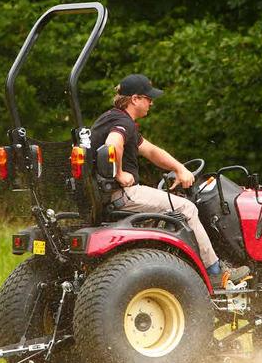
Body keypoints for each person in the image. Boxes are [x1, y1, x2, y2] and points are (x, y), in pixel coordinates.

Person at [89, 74, 249, 286]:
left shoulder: (112, 117)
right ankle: (216, 272)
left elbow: (152, 151)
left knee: (176, 205)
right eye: (148, 98)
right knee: (187, 208)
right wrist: (118, 173)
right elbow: (113, 144)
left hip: (109, 194)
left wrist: (179, 168)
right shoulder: (122, 122)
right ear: (135, 99)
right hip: (123, 193)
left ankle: (189, 265)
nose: (151, 102)